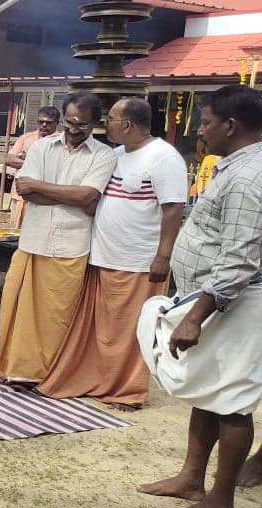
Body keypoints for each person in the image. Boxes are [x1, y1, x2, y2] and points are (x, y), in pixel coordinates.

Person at [135, 84, 262, 508]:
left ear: (230, 125)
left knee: (231, 398)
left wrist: (196, 316)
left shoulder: (249, 175)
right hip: (209, 297)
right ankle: (192, 478)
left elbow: (240, 257)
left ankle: (221, 502)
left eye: (205, 123)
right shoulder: (236, 166)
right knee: (207, 390)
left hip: (237, 303)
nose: (200, 132)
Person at [36, 97, 186, 411]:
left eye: (112, 118)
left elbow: (173, 209)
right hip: (102, 256)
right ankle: (97, 380)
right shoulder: (115, 155)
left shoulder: (163, 156)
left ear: (127, 124)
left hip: (138, 260)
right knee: (100, 327)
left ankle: (127, 390)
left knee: (131, 328)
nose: (108, 124)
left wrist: (163, 256)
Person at [0, 92, 116, 385]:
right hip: (33, 240)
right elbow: (26, 191)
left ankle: (47, 375)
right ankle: (18, 371)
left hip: (71, 246)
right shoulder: (41, 148)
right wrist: (70, 195)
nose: (74, 130)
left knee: (56, 317)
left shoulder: (104, 155)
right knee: (18, 310)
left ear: (95, 124)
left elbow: (89, 196)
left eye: (82, 125)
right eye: (70, 122)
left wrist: (42, 187)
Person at [4, 106, 60, 229]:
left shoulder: (61, 141)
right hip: (20, 196)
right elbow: (8, 159)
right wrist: (33, 162)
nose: (44, 125)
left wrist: (25, 157)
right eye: (41, 122)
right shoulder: (26, 138)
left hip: (44, 198)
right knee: (15, 233)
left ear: (57, 123)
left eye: (48, 122)